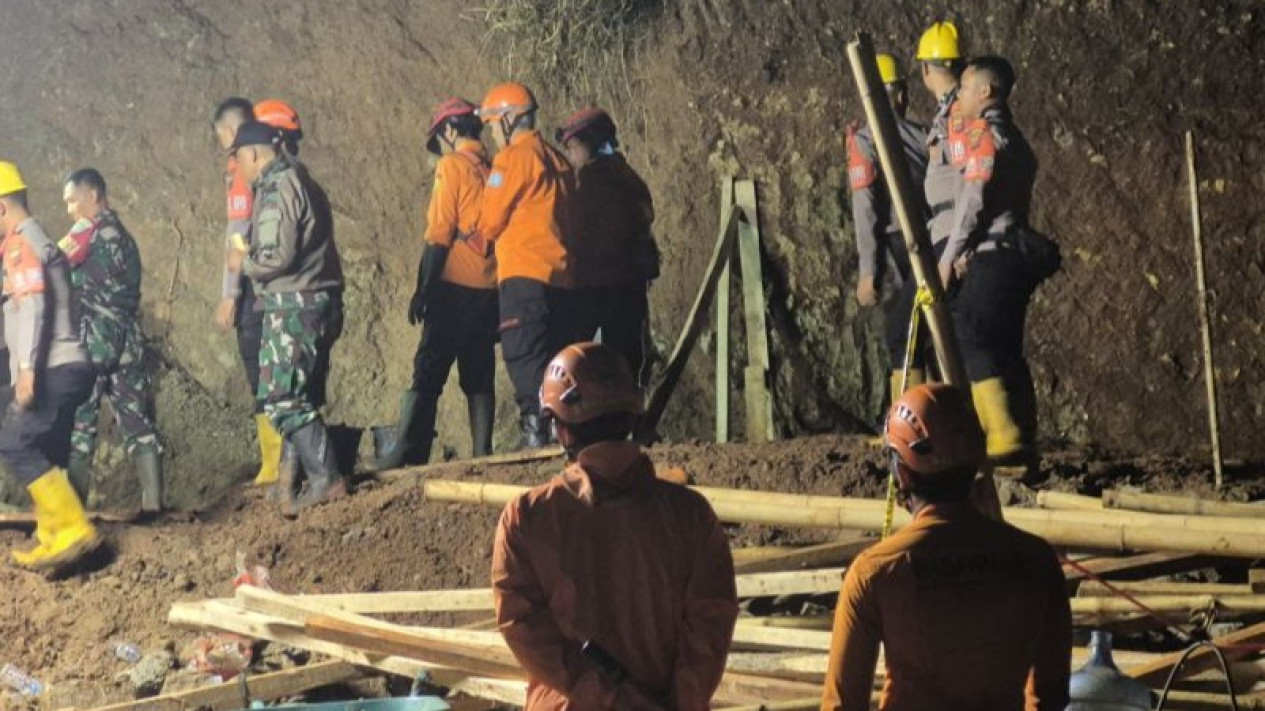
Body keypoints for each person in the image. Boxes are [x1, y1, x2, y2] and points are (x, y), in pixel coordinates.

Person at [492, 342, 737, 710]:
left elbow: (523, 627)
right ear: (631, 414)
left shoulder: (527, 518)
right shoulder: (691, 516)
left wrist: (606, 697)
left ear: (560, 428)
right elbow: (709, 626)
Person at [820, 383, 1071, 710]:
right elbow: (1049, 697)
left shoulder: (876, 571)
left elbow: (841, 705)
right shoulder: (1036, 560)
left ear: (902, 476)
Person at [227, 121, 345, 517]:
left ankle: (326, 478)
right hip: (313, 298)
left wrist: (242, 262)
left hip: (296, 302)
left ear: (254, 154)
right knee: (300, 394)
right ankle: (290, 484)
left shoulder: (278, 186)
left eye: (239, 160)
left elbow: (279, 256)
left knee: (280, 397)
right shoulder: (302, 180)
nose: (239, 170)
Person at [374, 97, 498, 469]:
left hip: (453, 287)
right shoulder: (494, 168)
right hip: (489, 287)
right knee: (479, 372)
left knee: (428, 370)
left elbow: (439, 233)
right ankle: (482, 453)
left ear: (448, 130)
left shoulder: (452, 166)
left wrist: (424, 288)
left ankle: (409, 453)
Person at [937, 56, 1041, 474]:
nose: (958, 95)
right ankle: (1023, 441)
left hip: (995, 253)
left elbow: (972, 203)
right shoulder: (1015, 137)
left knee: (971, 333)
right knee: (1004, 347)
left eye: (963, 88)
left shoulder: (987, 135)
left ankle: (1002, 439)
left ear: (986, 92)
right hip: (1015, 252)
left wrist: (950, 257)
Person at [0, 161, 101, 572]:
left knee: (15, 442)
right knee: (49, 450)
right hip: (70, 365)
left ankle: (74, 528)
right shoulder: (38, 240)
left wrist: (25, 369)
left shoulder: (21, 244)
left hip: (53, 366)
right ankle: (52, 536)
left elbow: (32, 308)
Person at [475, 82, 573, 448]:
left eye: (491, 124)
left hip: (524, 276)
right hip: (562, 279)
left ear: (508, 120)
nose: (490, 134)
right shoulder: (558, 160)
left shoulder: (514, 159)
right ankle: (563, 431)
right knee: (558, 359)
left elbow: (490, 220)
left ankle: (537, 432)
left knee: (524, 354)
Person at [60, 168, 163, 515]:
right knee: (137, 422)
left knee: (79, 424)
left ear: (93, 196)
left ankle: (73, 515)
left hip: (93, 343)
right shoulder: (126, 238)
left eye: (73, 200)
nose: (70, 209)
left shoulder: (86, 233)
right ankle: (153, 504)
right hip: (128, 343)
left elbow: (56, 269)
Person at [846, 54, 929, 403]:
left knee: (902, 333)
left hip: (897, 245)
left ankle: (910, 423)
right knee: (931, 329)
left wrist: (868, 272)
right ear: (898, 95)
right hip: (934, 241)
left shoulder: (865, 142)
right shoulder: (926, 135)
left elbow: (866, 209)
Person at [556, 107, 658, 385]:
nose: (571, 155)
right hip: (628, 285)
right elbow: (645, 217)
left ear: (591, 142)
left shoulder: (589, 181)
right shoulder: (627, 174)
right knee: (626, 358)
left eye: (573, 147)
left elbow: (571, 229)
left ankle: (584, 420)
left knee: (575, 358)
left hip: (593, 285)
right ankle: (630, 419)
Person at [211, 97, 281, 489]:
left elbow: (238, 234)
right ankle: (278, 463)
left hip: (256, 292)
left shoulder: (241, 172)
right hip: (273, 287)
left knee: (262, 374)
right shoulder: (274, 167)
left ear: (227, 132)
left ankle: (274, 466)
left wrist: (229, 294)